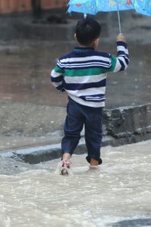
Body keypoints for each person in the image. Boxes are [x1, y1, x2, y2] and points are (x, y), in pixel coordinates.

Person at [50, 18, 129, 175]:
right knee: (94, 136)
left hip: (74, 104)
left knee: (71, 133)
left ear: (75, 37)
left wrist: (63, 88)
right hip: (94, 107)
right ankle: (93, 167)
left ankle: (65, 159)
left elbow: (54, 77)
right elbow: (123, 63)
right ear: (96, 41)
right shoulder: (103, 59)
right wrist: (121, 43)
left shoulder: (65, 60)